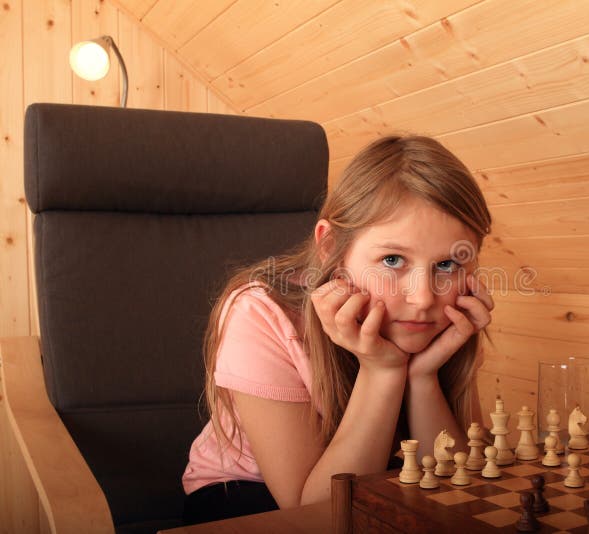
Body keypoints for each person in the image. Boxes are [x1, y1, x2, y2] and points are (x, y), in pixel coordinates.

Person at [181, 135, 494, 525]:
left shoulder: (450, 320)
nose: (423, 298)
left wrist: (424, 376)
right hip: (249, 498)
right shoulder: (260, 313)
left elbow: (459, 493)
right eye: (393, 259)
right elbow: (315, 513)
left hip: (380, 481)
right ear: (330, 248)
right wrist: (383, 370)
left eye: (447, 265)